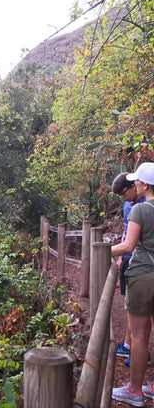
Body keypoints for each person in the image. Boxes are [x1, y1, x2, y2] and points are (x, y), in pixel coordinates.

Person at [111, 162, 154, 407]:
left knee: (139, 337)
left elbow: (128, 246)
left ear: (144, 184)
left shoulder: (140, 210)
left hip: (143, 275)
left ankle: (135, 391)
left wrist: (103, 250)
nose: (134, 184)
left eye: (137, 180)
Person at [112, 173, 146, 364]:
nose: (123, 198)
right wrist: (120, 257)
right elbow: (126, 230)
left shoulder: (145, 205)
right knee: (130, 306)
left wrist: (104, 251)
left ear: (135, 186)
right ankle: (128, 345)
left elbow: (132, 242)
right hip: (128, 258)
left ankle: (138, 351)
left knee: (143, 312)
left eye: (124, 194)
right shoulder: (128, 205)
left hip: (142, 262)